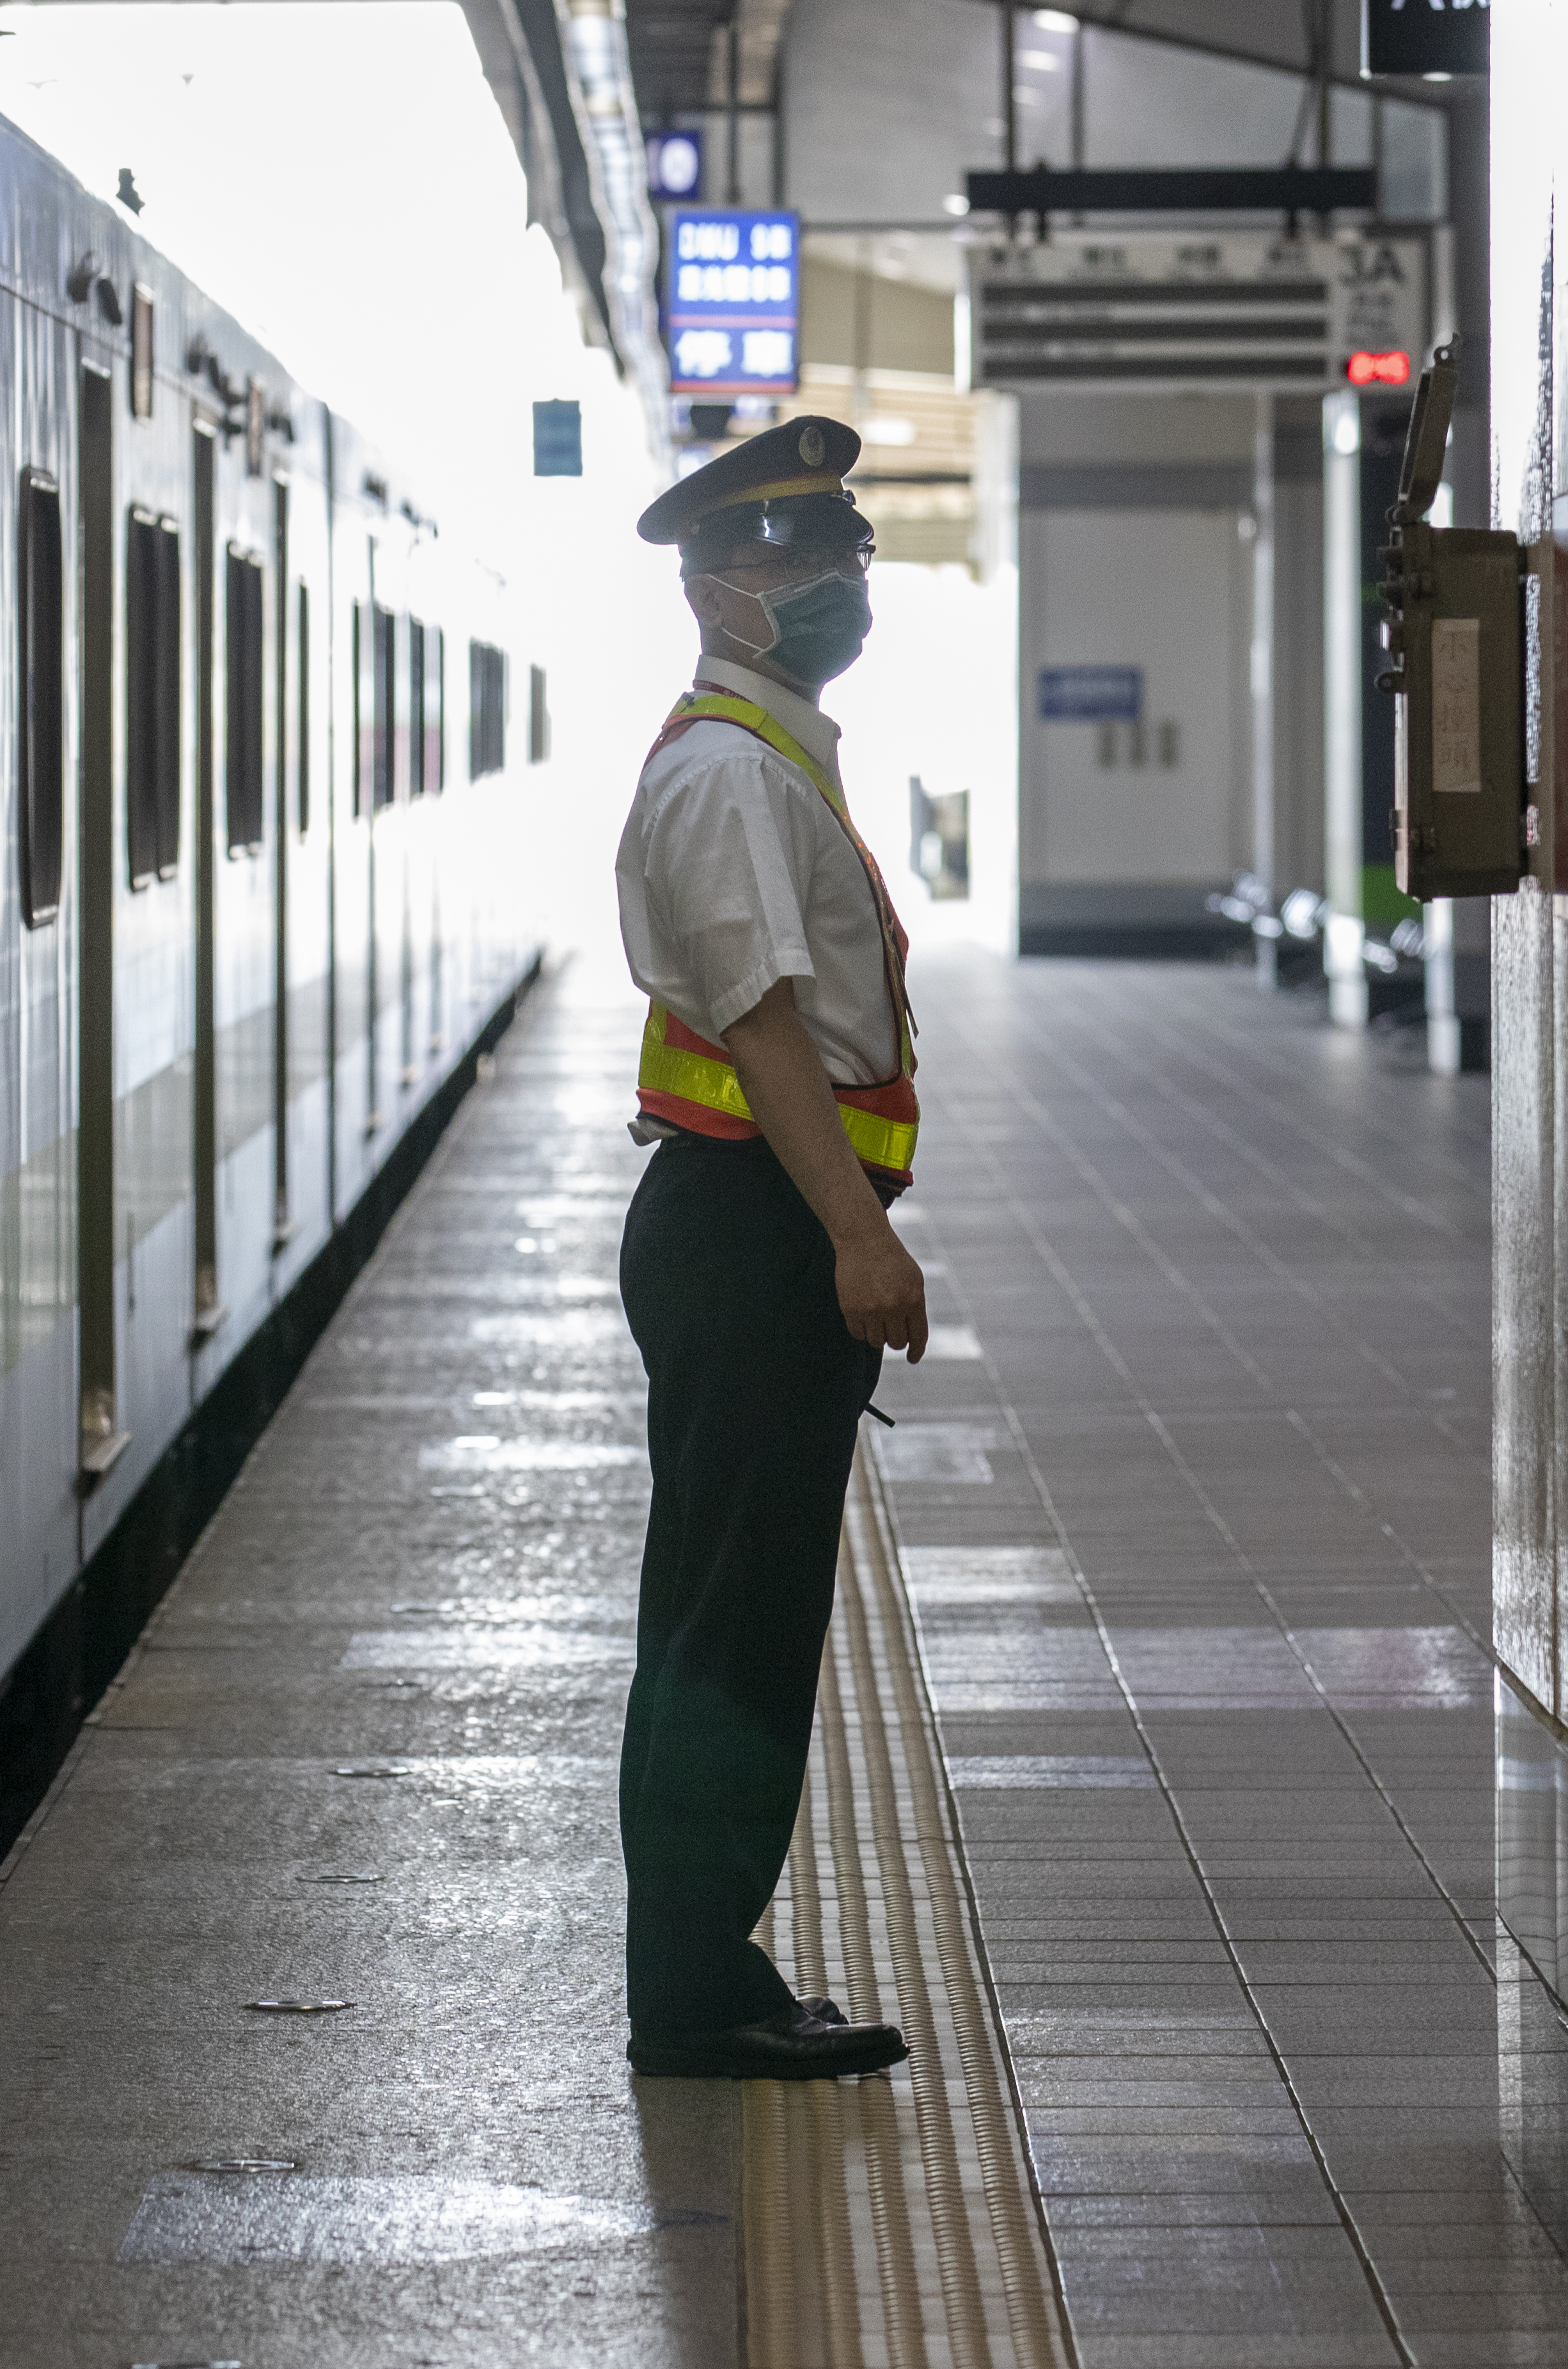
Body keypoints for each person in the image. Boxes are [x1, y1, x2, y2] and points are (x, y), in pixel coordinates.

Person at [611, 414, 930, 2081]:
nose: (841, 582)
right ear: (724, 592)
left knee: (721, 1602)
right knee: (734, 1618)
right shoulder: (731, 769)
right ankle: (692, 1983)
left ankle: (698, 1960)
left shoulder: (759, 750)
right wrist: (856, 1236)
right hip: (751, 1226)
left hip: (740, 1223)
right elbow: (762, 1023)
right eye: (809, 558)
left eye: (848, 552)